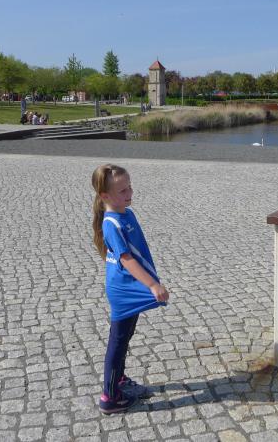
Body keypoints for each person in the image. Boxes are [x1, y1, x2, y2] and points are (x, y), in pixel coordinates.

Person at [91, 164, 169, 414]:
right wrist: (152, 285)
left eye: (130, 187)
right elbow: (126, 259)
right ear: (105, 196)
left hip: (130, 284)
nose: (130, 193)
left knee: (125, 336)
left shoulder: (127, 213)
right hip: (124, 290)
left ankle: (120, 379)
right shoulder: (111, 224)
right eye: (123, 190)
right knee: (118, 341)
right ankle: (109, 396)